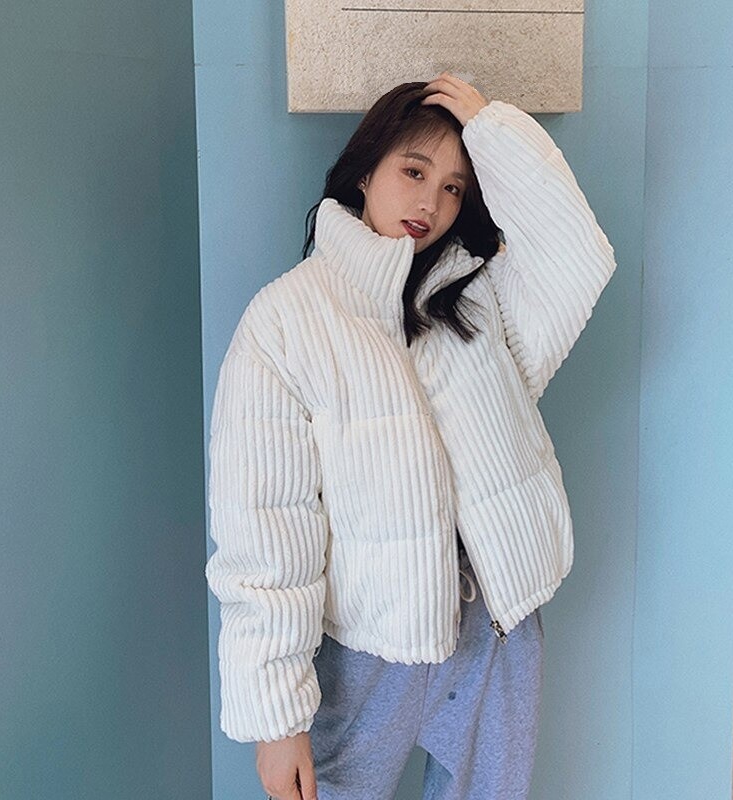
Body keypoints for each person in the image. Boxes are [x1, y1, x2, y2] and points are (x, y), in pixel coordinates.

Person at [205, 72, 617, 799]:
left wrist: (491, 130)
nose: (431, 203)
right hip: (368, 647)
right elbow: (266, 530)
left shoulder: (480, 302)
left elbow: (578, 258)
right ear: (365, 171)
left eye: (454, 187)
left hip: (496, 628)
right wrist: (277, 717)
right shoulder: (285, 322)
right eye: (415, 171)